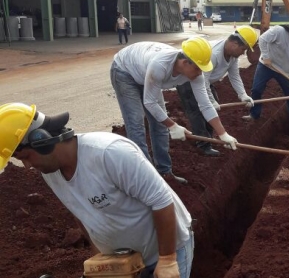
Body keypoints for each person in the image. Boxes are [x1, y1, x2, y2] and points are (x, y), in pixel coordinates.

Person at [0, 102, 194, 277]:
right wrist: (99, 258)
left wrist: (167, 260)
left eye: (25, 157)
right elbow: (80, 212)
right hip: (124, 263)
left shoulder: (110, 153)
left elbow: (161, 200)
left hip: (166, 251)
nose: (26, 166)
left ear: (41, 141)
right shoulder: (50, 173)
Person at [110, 37, 239, 184]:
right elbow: (150, 102)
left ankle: (165, 172)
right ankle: (147, 180)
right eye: (197, 68)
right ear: (184, 63)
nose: (199, 73)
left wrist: (223, 134)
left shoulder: (196, 74)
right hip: (125, 72)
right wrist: (173, 125)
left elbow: (205, 104)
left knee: (160, 125)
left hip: (147, 72)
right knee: (136, 125)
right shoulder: (160, 66)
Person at [176, 26, 257, 156]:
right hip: (188, 81)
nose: (243, 53)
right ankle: (203, 145)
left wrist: (243, 95)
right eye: (243, 49)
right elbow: (204, 80)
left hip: (204, 82)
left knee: (212, 108)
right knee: (198, 112)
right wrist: (210, 101)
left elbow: (234, 76)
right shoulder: (213, 54)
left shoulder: (232, 56)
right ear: (234, 43)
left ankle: (210, 138)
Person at [242, 16, 289, 126]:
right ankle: (254, 115)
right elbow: (262, 39)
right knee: (256, 90)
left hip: (283, 70)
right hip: (266, 65)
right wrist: (266, 56)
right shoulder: (279, 31)